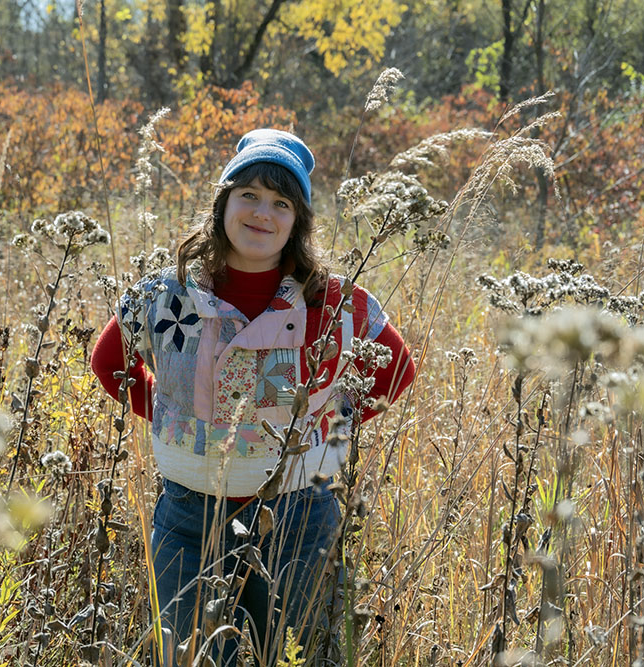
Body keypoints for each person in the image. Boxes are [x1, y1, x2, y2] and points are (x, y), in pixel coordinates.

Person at [91, 128, 415, 665]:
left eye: (281, 203)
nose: (263, 213)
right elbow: (110, 363)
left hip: (299, 518)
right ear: (223, 203)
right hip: (189, 517)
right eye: (249, 195)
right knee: (189, 658)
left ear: (297, 221)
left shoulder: (332, 300)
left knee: (294, 656)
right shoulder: (165, 293)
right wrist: (176, 419)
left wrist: (327, 435)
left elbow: (397, 370)